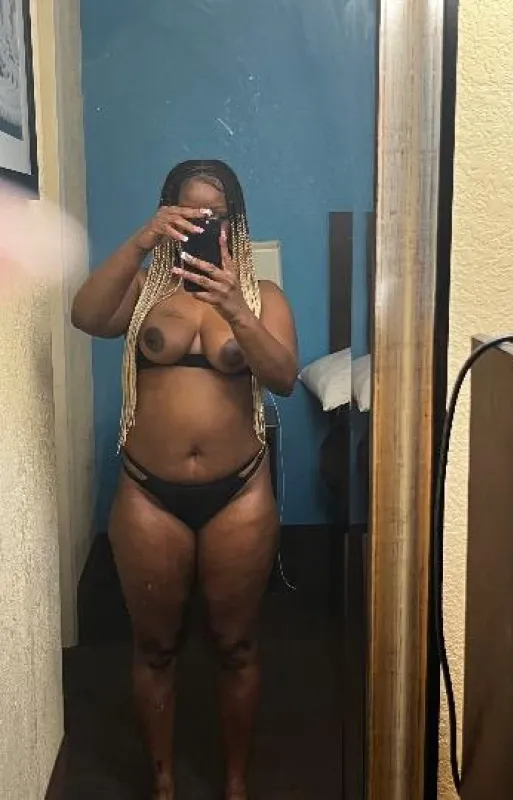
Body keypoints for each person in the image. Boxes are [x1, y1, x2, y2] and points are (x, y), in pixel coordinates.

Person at [71, 160, 298, 800]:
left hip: (240, 493)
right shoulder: (146, 288)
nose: (204, 226)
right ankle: (164, 785)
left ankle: (235, 784)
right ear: (169, 215)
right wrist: (141, 241)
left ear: (236, 223)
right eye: (190, 214)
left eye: (215, 216)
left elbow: (283, 377)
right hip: (149, 494)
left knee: (237, 645)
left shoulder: (262, 296)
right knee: (154, 646)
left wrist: (234, 307)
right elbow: (86, 316)